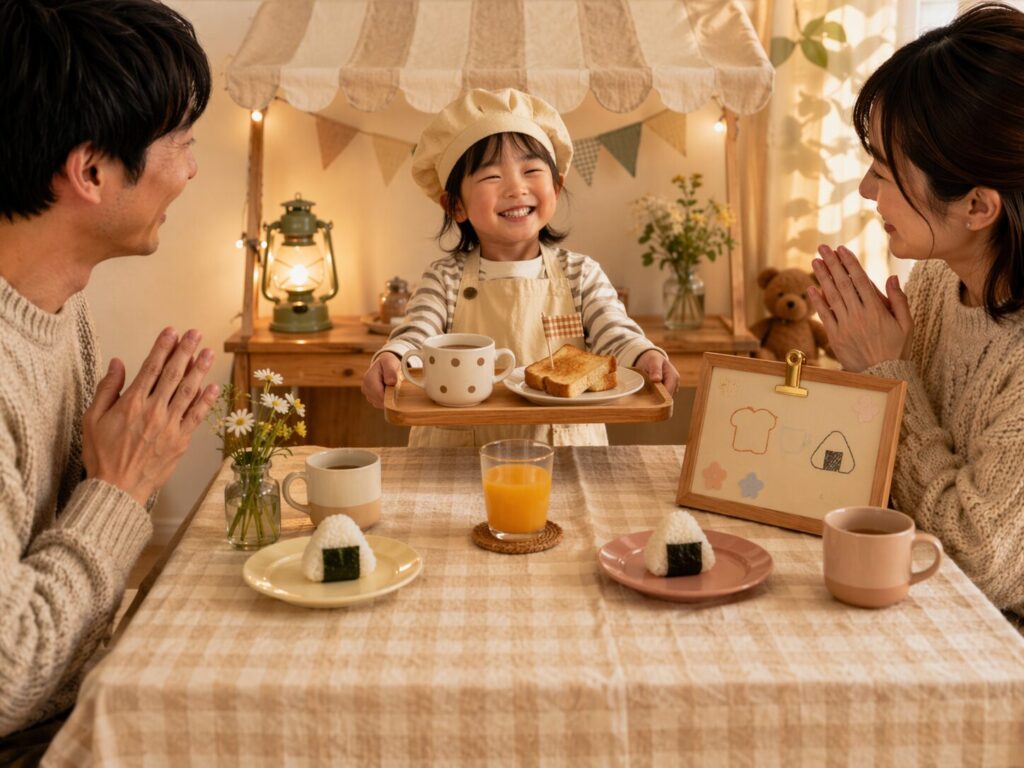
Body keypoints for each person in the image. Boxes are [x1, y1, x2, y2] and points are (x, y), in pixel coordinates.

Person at [0, 0, 218, 757]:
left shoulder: (57, 307)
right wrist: (121, 490)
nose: (191, 170)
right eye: (181, 143)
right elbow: (7, 678)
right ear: (91, 170)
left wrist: (122, 471)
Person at [808, 3, 1024, 624]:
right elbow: (882, 484)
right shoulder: (934, 280)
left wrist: (884, 372)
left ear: (978, 206)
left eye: (882, 170)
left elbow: (977, 559)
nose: (865, 191)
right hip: (919, 610)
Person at [361, 88, 679, 446]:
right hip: (457, 455)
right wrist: (393, 355)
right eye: (491, 177)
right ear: (455, 206)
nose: (515, 187)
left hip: (566, 451)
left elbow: (614, 333)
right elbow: (416, 334)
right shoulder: (444, 279)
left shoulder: (580, 275)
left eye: (530, 170)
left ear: (556, 188)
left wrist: (645, 354)